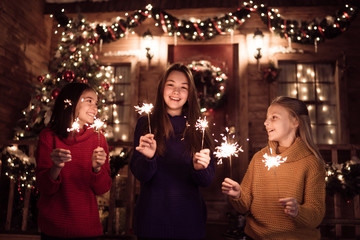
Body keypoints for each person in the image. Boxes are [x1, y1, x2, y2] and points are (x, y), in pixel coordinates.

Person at [130, 63, 215, 240]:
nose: (176, 92)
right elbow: (141, 174)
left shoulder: (199, 128)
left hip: (189, 220)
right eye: (171, 85)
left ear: (190, 93)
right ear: (162, 88)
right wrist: (149, 158)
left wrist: (200, 168)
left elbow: (207, 180)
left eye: (183, 87)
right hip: (152, 218)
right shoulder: (146, 124)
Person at [222, 96, 326, 239]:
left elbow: (316, 215)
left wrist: (298, 211)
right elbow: (244, 205)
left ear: (295, 121)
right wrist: (238, 195)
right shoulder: (259, 159)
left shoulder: (311, 163)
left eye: (274, 117)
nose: (266, 123)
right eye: (266, 118)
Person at [35, 82, 112, 240]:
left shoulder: (98, 139)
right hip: (53, 230)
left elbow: (103, 188)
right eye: (89, 100)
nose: (95, 107)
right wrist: (55, 168)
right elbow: (44, 187)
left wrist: (97, 169)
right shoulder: (49, 137)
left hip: (88, 230)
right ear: (70, 101)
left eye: (96, 103)